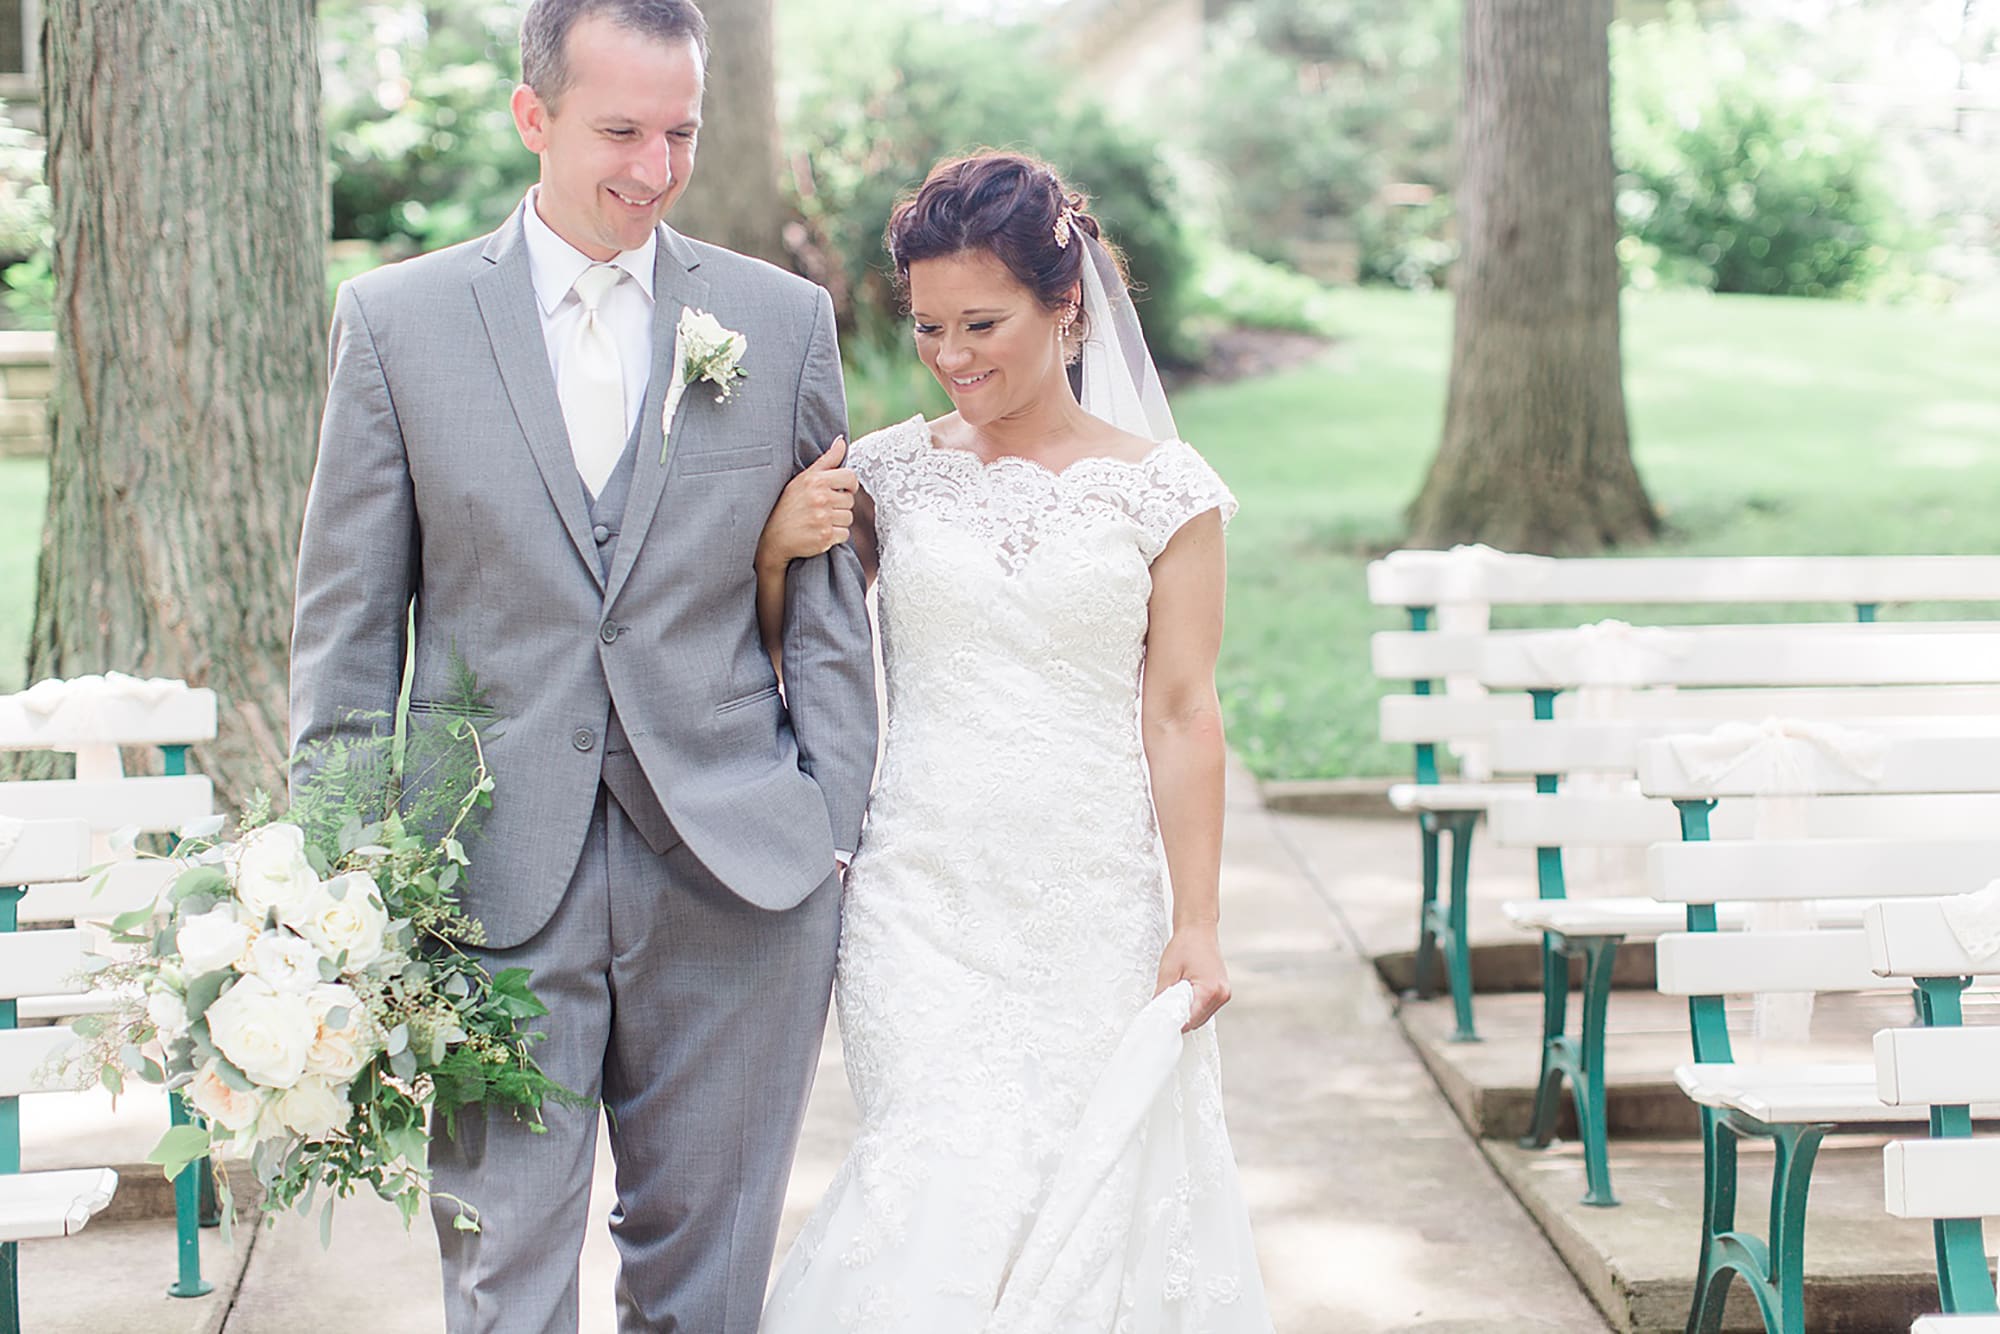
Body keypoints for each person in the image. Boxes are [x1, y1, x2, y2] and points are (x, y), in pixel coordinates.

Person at [286, 2, 877, 1330]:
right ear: (532, 117)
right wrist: (337, 888)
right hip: (487, 878)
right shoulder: (396, 324)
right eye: (621, 130)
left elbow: (833, 607)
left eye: (680, 132)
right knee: (503, 1280)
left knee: (709, 1288)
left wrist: (830, 825)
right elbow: (347, 633)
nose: (656, 169)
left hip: (737, 877)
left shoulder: (779, 324)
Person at [755, 152, 1273, 1332]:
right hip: (918, 900)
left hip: (1088, 899)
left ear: (1066, 303)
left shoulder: (1166, 491)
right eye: (929, 326)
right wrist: (774, 552)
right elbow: (794, 654)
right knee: (933, 1170)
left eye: (980, 322)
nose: (951, 355)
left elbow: (1182, 710)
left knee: (1075, 1188)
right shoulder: (885, 475)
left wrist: (1194, 920)